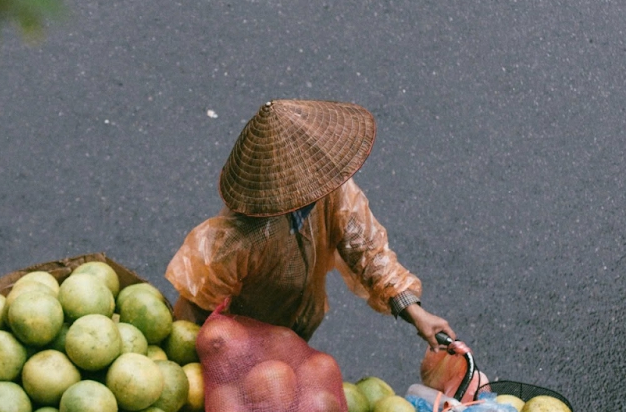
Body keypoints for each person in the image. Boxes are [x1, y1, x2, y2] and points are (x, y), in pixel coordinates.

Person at [166, 98, 454, 350]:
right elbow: (194, 314)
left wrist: (413, 311)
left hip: (297, 329)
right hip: (241, 345)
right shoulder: (236, 240)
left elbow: (368, 251)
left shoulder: (331, 192)